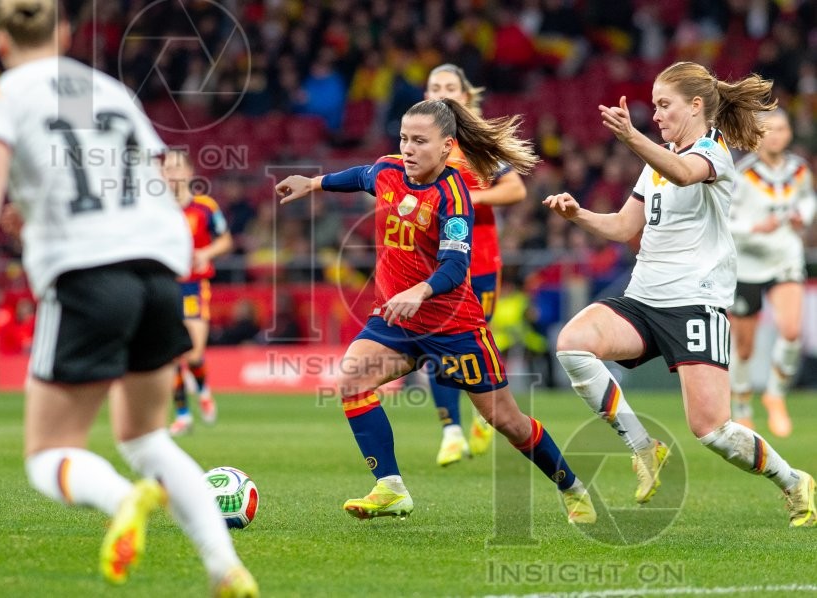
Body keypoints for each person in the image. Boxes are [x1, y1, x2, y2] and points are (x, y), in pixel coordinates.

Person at [0, 1, 258, 595]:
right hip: (159, 271)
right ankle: (226, 568)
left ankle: (123, 500)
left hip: (87, 273)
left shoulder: (0, 95)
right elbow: (154, 176)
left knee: (47, 453)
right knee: (146, 438)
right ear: (65, 32)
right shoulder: (108, 90)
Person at [276, 98, 597, 525]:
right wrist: (314, 183)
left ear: (447, 146)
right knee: (352, 379)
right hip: (397, 320)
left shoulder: (453, 195)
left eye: (420, 141)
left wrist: (419, 291)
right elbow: (359, 176)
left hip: (453, 326)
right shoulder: (388, 171)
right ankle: (390, 488)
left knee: (508, 421)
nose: (408, 149)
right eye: (404, 139)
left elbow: (455, 266)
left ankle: (571, 486)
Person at [544, 61, 816, 527]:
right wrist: (578, 214)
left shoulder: (714, 152)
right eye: (653, 106)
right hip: (643, 299)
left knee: (713, 431)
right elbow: (623, 226)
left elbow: (686, 174)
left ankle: (794, 482)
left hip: (694, 303)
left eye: (664, 104)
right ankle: (644, 447)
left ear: (694, 106)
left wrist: (632, 137)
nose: (656, 114)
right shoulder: (657, 161)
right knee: (573, 343)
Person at [423, 63, 528, 466]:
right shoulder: (416, 145)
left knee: (473, 342)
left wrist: (469, 199)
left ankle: (486, 414)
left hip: (479, 260)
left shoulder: (477, 145)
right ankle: (451, 431)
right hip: (431, 261)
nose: (442, 93)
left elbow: (516, 189)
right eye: (435, 87)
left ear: (465, 97)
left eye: (450, 87)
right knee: (435, 342)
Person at [727, 108, 816, 437]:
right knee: (744, 346)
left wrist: (803, 217)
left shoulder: (799, 169)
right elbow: (725, 221)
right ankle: (742, 404)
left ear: (789, 133)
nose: (776, 135)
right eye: (770, 129)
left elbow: (808, 200)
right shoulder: (741, 174)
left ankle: (775, 396)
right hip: (747, 264)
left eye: (782, 128)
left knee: (791, 331)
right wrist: (754, 228)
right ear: (758, 135)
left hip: (784, 258)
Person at [162, 149, 233, 436]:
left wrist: (206, 253)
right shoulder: (157, 209)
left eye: (176, 167)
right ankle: (182, 415)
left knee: (192, 355)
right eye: (167, 168)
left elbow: (225, 240)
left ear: (190, 172)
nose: (171, 173)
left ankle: (203, 390)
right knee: (170, 356)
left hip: (193, 287)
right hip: (165, 287)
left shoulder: (204, 207)